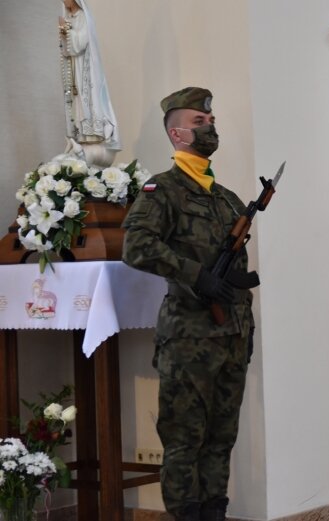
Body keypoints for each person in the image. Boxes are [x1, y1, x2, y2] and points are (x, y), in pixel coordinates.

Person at [122, 87, 257, 521]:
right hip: (189, 340)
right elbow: (136, 246)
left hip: (232, 337)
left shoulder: (227, 198)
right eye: (200, 122)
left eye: (211, 120)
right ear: (178, 134)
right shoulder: (161, 190)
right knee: (184, 441)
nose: (210, 126)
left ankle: (215, 511)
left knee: (222, 438)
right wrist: (196, 274)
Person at [59, 0, 121, 166]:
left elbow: (81, 41)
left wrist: (67, 31)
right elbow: (66, 48)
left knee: (87, 96)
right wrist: (65, 32)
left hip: (85, 67)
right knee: (77, 99)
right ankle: (81, 135)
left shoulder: (83, 17)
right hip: (74, 66)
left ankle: (92, 134)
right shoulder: (69, 17)